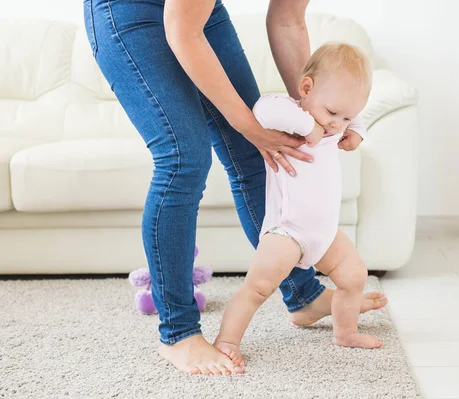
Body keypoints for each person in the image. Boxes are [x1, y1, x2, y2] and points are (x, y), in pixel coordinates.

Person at [83, 0, 387, 376]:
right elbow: (181, 29)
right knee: (184, 157)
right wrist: (250, 124)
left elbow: (289, 21)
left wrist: (314, 118)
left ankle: (304, 296)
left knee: (266, 152)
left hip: (198, 14)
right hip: (131, 11)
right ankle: (178, 333)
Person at [214, 43, 382, 367]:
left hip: (324, 233)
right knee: (258, 287)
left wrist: (356, 131)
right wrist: (310, 127)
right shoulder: (292, 115)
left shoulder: (337, 122)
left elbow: (354, 116)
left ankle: (345, 333)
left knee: (354, 276)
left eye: (345, 117)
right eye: (333, 113)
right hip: (287, 231)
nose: (336, 124)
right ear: (306, 88)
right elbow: (263, 109)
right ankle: (227, 340)